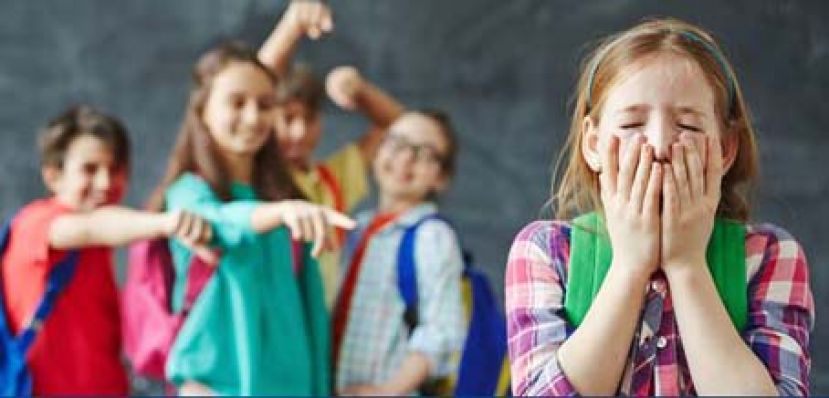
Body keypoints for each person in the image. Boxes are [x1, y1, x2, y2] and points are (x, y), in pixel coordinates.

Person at [505, 18, 814, 396]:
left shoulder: (770, 254)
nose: (661, 143)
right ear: (592, 144)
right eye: (633, 122)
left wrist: (687, 265)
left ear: (725, 148)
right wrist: (630, 266)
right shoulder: (546, 250)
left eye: (689, 125)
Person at [145, 42, 354, 395]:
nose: (253, 117)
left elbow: (312, 314)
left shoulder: (283, 196)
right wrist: (283, 212)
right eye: (237, 102)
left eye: (265, 104)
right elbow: (223, 222)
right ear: (203, 110)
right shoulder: (189, 193)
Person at [1, 105, 213, 395]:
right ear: (53, 176)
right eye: (90, 169)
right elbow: (91, 226)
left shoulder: (103, 245)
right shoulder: (35, 224)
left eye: (115, 169)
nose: (105, 182)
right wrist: (169, 223)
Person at [258, 0, 404, 305]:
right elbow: (252, 85)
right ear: (265, 117)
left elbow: (403, 129)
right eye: (287, 118)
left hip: (320, 333)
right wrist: (291, 27)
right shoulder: (255, 171)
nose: (299, 132)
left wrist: (362, 93)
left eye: (309, 119)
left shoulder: (331, 181)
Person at [333, 110, 465, 395]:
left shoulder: (432, 236)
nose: (406, 158)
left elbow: (440, 332)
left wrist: (387, 392)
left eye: (424, 153)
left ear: (441, 177)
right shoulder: (357, 227)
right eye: (396, 143)